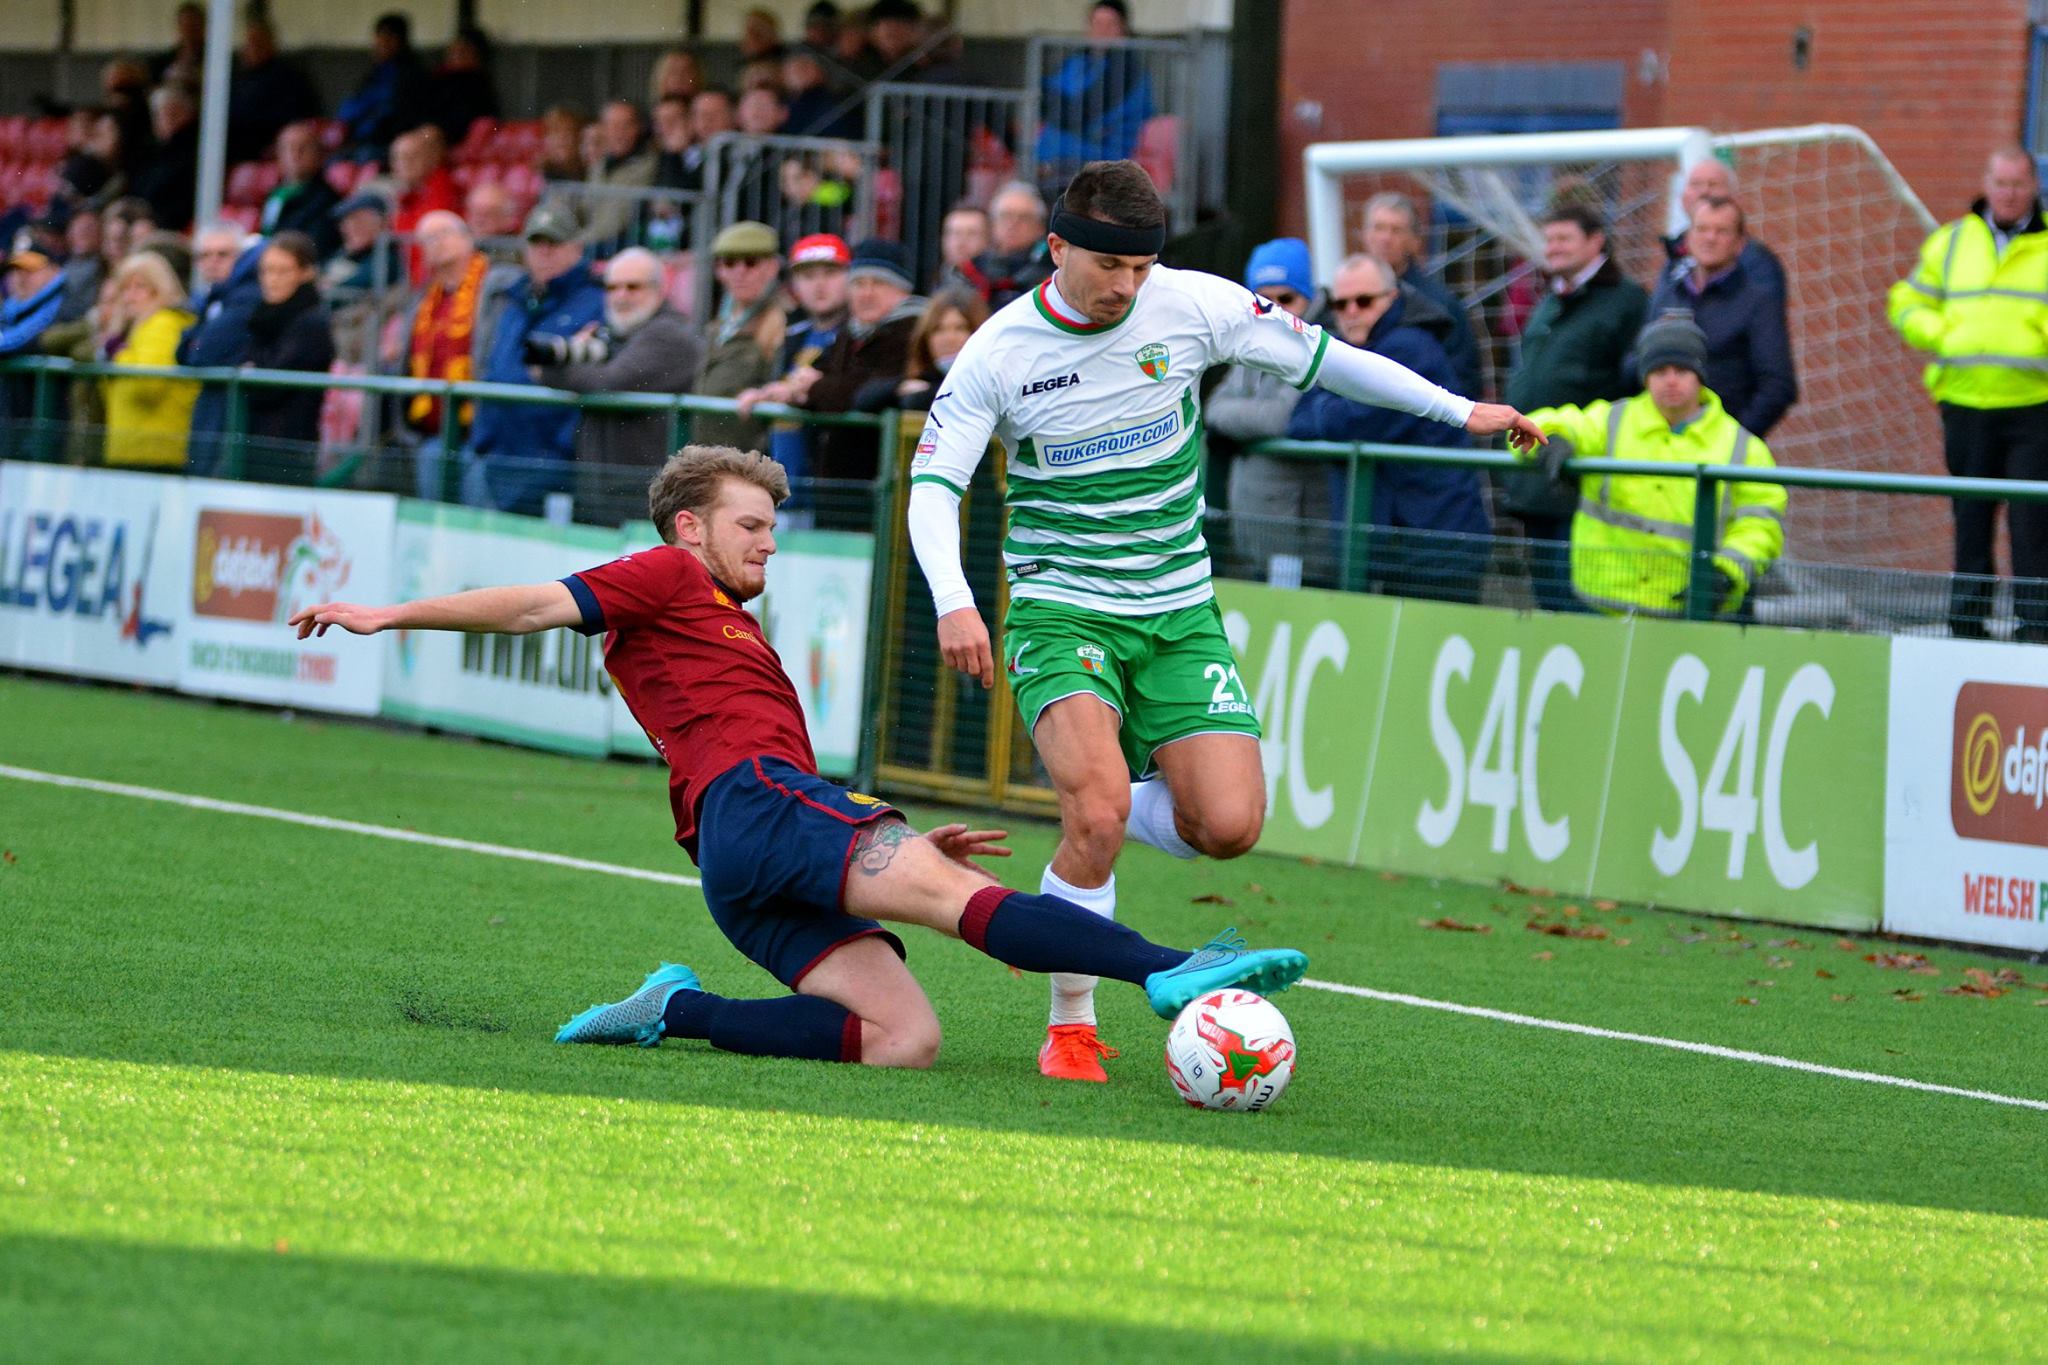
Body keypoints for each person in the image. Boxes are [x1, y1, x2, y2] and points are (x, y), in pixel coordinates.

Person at [288, 444, 1308, 1067]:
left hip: (740, 857)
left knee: (902, 1041)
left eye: (772, 527)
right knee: (962, 904)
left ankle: (675, 1011)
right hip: (760, 811)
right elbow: (534, 602)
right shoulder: (665, 575)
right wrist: (390, 614)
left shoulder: (717, 620)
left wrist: (876, 832)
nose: (767, 543)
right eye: (750, 525)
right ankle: (1173, 972)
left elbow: (747, 750)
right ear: (688, 528)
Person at [908, 159, 1541, 1080]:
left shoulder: (1194, 303)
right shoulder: (1000, 352)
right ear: (1056, 249)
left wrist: (1460, 410)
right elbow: (935, 485)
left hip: (1178, 610)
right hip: (1062, 604)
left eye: (1141, 268)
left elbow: (1330, 360)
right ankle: (1071, 1023)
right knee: (1097, 811)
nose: (1127, 287)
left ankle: (1069, 879)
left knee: (1230, 825)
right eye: (1108, 268)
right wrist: (954, 598)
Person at [1519, 313, 1785, 619]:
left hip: (1691, 611)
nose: (1670, 380)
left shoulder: (1743, 448)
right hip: (1602, 606)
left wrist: (1726, 573)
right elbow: (1537, 426)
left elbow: (1761, 523)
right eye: (1659, 370)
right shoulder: (1612, 421)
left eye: (1682, 370)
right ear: (1645, 376)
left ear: (1700, 375)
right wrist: (1553, 438)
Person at [1889, 146, 2048, 642]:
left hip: (2032, 406)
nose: (2009, 194)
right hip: (1963, 402)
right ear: (1987, 183)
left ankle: (2036, 625)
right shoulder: (1952, 241)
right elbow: (1907, 300)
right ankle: (1966, 624)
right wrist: (1942, 335)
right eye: (2001, 183)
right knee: (1971, 518)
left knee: (2032, 525)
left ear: (2034, 187)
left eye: (2018, 185)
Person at [1287, 254, 1491, 604]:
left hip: (1434, 547)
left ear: (1392, 298)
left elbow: (1358, 421)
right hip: (1393, 544)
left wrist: (1326, 407)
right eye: (1340, 303)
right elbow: (1298, 420)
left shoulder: (1410, 347)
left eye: (1364, 301)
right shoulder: (1346, 351)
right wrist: (1330, 409)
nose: (1351, 311)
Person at [1502, 202, 1649, 613]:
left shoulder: (1628, 302)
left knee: (1578, 603)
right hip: (1535, 474)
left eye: (1564, 238)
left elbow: (1633, 387)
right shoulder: (1550, 300)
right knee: (1546, 599)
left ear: (1596, 241)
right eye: (1549, 239)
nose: (1554, 248)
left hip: (1582, 477)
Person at [528, 247, 704, 524]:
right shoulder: (617, 333)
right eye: (612, 288)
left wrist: (549, 372)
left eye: (633, 287)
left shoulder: (668, 335)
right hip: (606, 492)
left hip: (643, 500)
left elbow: (609, 382)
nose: (621, 296)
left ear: (660, 289)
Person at [460, 201, 607, 515]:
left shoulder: (597, 301)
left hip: (552, 461)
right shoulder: (513, 297)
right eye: (536, 243)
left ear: (576, 248)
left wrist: (561, 447)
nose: (543, 251)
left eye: (553, 243)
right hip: (496, 454)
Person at [1206, 237, 1319, 584]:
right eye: (1262, 301)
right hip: (1254, 534)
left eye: (1286, 299)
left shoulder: (1319, 343)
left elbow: (1282, 418)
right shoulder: (1251, 344)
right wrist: (1248, 415)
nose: (1275, 311)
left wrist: (1237, 418)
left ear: (1309, 298)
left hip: (1302, 542)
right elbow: (1212, 407)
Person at [1645, 196, 1797, 438]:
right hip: (1657, 441)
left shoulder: (1758, 301)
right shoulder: (1668, 291)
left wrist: (1734, 439)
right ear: (1688, 237)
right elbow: (1638, 359)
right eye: (1702, 229)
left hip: (1719, 452)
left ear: (1739, 244)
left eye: (1721, 231)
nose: (1709, 238)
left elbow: (1777, 386)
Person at [394, 210, 520, 499]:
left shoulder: (498, 286)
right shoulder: (423, 299)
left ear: (468, 238)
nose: (434, 243)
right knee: (434, 521)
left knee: (477, 522)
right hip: (432, 434)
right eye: (426, 239)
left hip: (483, 436)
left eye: (442, 234)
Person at [781, 238, 924, 488]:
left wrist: (814, 388)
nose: (866, 293)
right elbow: (824, 375)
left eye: (879, 283)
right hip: (843, 482)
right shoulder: (852, 332)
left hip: (885, 483)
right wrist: (799, 386)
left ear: (903, 291)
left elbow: (862, 391)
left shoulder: (913, 332)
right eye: (858, 283)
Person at [740, 232, 851, 496]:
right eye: (808, 276)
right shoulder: (794, 334)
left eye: (830, 273)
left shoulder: (855, 335)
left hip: (831, 487)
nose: (819, 285)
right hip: (781, 484)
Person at [1360, 192, 1483, 401]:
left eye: (1396, 230)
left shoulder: (1440, 304)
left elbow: (1465, 377)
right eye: (1378, 228)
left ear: (1415, 241)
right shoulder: (1346, 297)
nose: (1385, 238)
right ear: (1365, 235)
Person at [242, 232, 337, 485]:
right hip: (257, 441)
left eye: (282, 271)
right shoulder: (263, 317)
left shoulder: (310, 323)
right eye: (266, 271)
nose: (271, 280)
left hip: (289, 447)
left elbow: (269, 387)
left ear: (305, 273)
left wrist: (253, 371)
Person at [178, 224, 265, 475]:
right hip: (209, 413)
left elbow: (200, 353)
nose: (213, 262)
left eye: (223, 254)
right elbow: (183, 351)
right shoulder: (209, 299)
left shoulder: (247, 297)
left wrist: (195, 341)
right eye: (205, 255)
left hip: (230, 417)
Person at [695, 220, 787, 452]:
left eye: (751, 262)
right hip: (712, 454)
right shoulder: (718, 326)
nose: (739, 272)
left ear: (773, 266)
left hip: (751, 460)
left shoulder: (785, 323)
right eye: (729, 262)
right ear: (719, 270)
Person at [102, 252, 199, 469]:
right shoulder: (140, 328)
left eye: (140, 287)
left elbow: (147, 387)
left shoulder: (162, 325)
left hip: (154, 452)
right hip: (135, 449)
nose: (130, 297)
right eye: (125, 289)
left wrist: (120, 354)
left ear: (160, 287)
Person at [1034, 1, 1152, 174]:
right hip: (1057, 154)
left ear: (1123, 30)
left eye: (1110, 25)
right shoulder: (1077, 61)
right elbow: (1043, 95)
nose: (1102, 31)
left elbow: (1084, 112)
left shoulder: (1127, 70)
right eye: (1097, 24)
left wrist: (1059, 110)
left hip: (1099, 160)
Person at [1661, 157, 1785, 301]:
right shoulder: (1675, 253)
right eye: (1695, 184)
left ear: (1735, 198)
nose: (1704, 191)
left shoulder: (1756, 261)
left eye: (1713, 184)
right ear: (1682, 198)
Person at [861, 287, 985, 412]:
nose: (949, 338)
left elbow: (918, 401)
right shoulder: (925, 375)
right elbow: (862, 400)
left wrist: (925, 394)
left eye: (960, 328)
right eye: (938, 329)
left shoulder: (988, 381)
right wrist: (899, 387)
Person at [338, 12, 432, 159]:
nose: (380, 44)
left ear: (400, 42)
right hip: (358, 140)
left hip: (386, 143)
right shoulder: (375, 73)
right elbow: (348, 110)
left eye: (388, 38)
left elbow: (396, 116)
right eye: (379, 37)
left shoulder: (411, 74)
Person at [227, 17, 322, 163]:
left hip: (262, 138)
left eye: (257, 43)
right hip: (235, 133)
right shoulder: (240, 76)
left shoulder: (288, 77)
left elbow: (294, 117)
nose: (250, 48)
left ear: (272, 45)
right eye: (248, 44)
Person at [949, 181, 1053, 309]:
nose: (1013, 224)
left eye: (1024, 217)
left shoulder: (1050, 273)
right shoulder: (971, 270)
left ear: (1040, 227)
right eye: (1006, 216)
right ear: (993, 223)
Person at [583, 100, 659, 252]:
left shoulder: (647, 166)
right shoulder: (600, 165)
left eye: (626, 125)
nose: (619, 132)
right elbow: (584, 208)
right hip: (593, 243)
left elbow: (614, 221)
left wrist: (574, 243)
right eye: (611, 125)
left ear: (638, 128)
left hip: (618, 249)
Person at [261, 121, 343, 259]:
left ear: (319, 154)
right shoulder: (274, 193)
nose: (295, 155)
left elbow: (314, 248)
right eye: (287, 148)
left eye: (303, 148)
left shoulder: (327, 201)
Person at [131, 85, 201, 231]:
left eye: (171, 114)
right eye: (158, 115)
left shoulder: (194, 151)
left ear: (187, 115)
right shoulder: (153, 150)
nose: (163, 121)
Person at [429, 25, 500, 147]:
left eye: (463, 51)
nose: (455, 55)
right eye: (453, 51)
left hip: (452, 136)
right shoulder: (437, 77)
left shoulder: (478, 84)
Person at [936, 204, 990, 293]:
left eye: (972, 234)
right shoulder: (940, 280)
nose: (961, 242)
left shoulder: (996, 284)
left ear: (988, 239)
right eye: (955, 233)